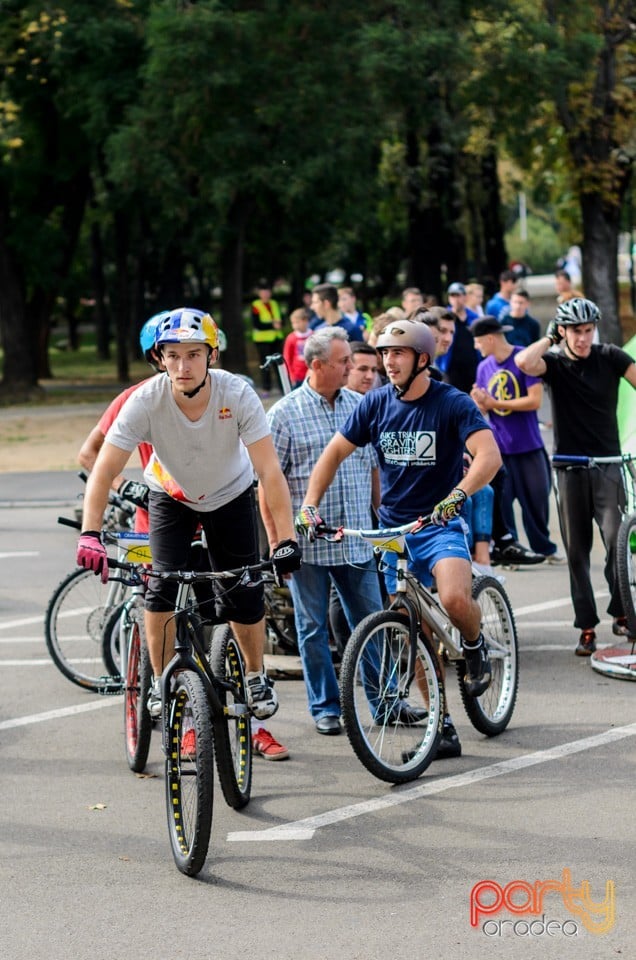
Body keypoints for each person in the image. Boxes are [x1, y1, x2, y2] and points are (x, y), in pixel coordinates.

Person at [78, 313, 291, 760]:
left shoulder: (237, 393)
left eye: (194, 354)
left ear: (211, 355)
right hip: (170, 494)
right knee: (161, 588)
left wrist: (285, 539)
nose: (183, 366)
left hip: (231, 494)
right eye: (172, 356)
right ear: (159, 359)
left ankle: (254, 673)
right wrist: (90, 533)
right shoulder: (145, 399)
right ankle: (162, 680)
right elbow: (104, 468)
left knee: (243, 591)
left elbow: (270, 471)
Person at [296, 319, 503, 758]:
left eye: (398, 354)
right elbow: (332, 454)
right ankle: (443, 728)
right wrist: (309, 505)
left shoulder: (451, 403)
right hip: (392, 531)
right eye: (384, 353)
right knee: (412, 632)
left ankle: (475, 643)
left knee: (453, 600)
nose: (388, 363)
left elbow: (489, 457)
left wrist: (456, 497)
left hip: (439, 523)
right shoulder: (374, 405)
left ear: (423, 359)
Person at [259, 327, 390, 736]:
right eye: (344, 362)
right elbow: (267, 485)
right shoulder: (283, 414)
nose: (353, 368)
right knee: (312, 628)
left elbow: (373, 469)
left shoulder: (361, 406)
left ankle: (385, 700)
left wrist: (380, 520)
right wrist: (280, 542)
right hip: (308, 546)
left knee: (371, 621)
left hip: (356, 539)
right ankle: (325, 707)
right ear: (316, 366)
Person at [516, 297, 636, 654]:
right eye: (575, 331)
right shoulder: (553, 363)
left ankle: (622, 612)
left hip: (608, 464)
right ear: (563, 331)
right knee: (577, 551)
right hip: (568, 468)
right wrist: (550, 339)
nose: (583, 338)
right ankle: (586, 626)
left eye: (588, 330)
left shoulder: (610, 356)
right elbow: (524, 362)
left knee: (617, 540)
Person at [470, 316, 560, 561]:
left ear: (490, 338)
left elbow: (535, 400)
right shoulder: (483, 367)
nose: (477, 347)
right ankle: (511, 550)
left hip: (528, 444)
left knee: (537, 501)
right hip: (499, 448)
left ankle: (545, 549)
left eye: (478, 342)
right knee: (503, 503)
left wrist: (494, 402)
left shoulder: (524, 358)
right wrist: (479, 403)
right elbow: (485, 408)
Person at [436, 283, 480, 394]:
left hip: (472, 368)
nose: (455, 299)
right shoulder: (444, 317)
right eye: (452, 296)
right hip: (451, 369)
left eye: (458, 295)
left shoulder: (474, 318)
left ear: (465, 297)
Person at [251, 280, 284, 394]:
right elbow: (257, 324)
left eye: (267, 291)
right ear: (259, 293)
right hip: (262, 339)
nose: (265, 294)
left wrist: (280, 324)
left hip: (276, 338)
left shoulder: (274, 303)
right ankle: (266, 388)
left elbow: (281, 318)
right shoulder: (256, 305)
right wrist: (273, 325)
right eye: (263, 292)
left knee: (279, 364)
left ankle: (282, 387)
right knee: (265, 364)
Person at [282, 307, 311, 388]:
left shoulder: (313, 335)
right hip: (298, 375)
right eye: (293, 323)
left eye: (297, 322)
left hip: (311, 374)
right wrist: (291, 375)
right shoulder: (291, 338)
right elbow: (287, 357)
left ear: (305, 321)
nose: (295, 326)